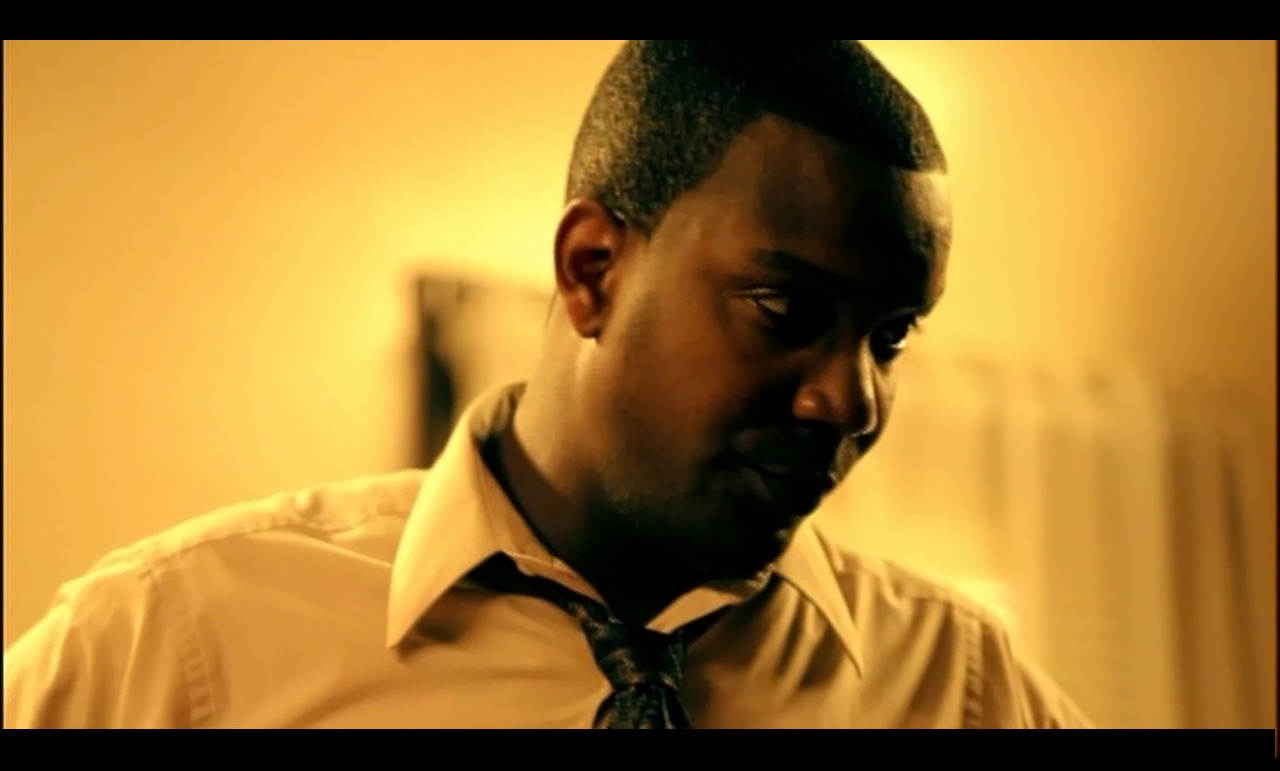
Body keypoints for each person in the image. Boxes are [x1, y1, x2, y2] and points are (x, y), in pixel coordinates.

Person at [4, 40, 1093, 729]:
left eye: (889, 338)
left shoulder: (960, 687)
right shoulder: (176, 645)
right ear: (593, 270)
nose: (849, 402)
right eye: (783, 309)